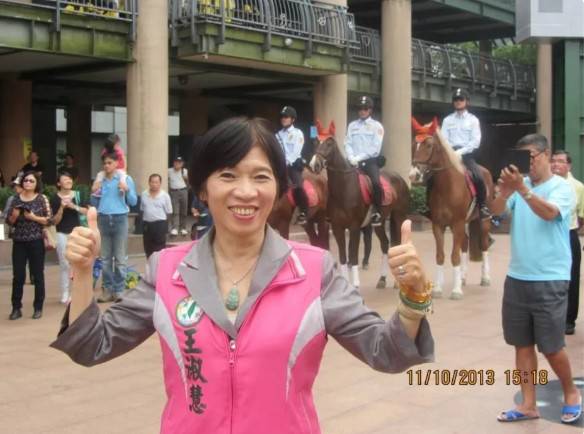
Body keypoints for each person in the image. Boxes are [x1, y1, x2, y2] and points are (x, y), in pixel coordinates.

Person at [51, 117, 434, 433]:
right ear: (203, 189)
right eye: (228, 175)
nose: (246, 192)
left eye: (261, 177)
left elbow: (386, 351)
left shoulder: (314, 271)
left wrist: (414, 297)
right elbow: (92, 345)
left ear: (279, 187)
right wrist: (82, 273)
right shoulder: (167, 269)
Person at [491, 134, 581, 424]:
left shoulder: (562, 187)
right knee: (522, 344)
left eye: (531, 156)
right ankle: (528, 404)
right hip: (517, 277)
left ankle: (571, 393)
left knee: (552, 346)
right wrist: (504, 192)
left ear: (545, 156)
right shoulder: (520, 185)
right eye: (522, 157)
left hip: (550, 278)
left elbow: (550, 213)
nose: (527, 163)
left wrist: (522, 190)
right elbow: (495, 214)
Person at [5, 171, 52, 320]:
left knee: (37, 275)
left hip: (36, 240)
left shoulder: (41, 198)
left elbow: (49, 220)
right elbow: (9, 221)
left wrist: (33, 217)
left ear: (37, 183)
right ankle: (16, 308)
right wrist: (14, 216)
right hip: (19, 241)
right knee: (18, 275)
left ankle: (38, 307)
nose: (28, 183)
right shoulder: (15, 199)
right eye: (25, 180)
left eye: (31, 181)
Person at [92, 152, 137, 303]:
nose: (106, 166)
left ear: (117, 163)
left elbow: (133, 201)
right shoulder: (100, 179)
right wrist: (94, 191)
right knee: (105, 259)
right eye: (104, 163)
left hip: (120, 219)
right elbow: (94, 202)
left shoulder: (125, 178)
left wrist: (127, 189)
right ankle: (107, 290)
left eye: (110, 163)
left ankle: (119, 290)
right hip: (103, 219)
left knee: (119, 259)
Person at [441, 88, 489, 219]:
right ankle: (428, 206)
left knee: (478, 177)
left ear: (467, 101)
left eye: (461, 99)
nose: (458, 101)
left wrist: (459, 152)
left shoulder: (473, 120)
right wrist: (451, 151)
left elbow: (475, 142)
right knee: (432, 176)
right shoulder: (447, 120)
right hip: (449, 154)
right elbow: (444, 139)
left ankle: (482, 206)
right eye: (456, 99)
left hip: (466, 154)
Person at [551, 150, 584, 335]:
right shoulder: (545, 184)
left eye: (561, 161)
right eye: (553, 161)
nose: (556, 164)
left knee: (571, 278)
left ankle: (569, 320)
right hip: (549, 236)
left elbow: (582, 216)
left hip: (569, 235)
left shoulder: (578, 187)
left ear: (569, 165)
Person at [345, 96, 385, 226]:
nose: (362, 111)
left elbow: (375, 148)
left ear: (370, 110)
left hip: (369, 162)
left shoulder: (377, 126)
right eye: (360, 109)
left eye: (365, 109)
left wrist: (358, 158)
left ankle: (376, 212)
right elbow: (348, 143)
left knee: (376, 183)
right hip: (352, 161)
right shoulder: (352, 125)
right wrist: (351, 156)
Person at [50, 172, 88, 304]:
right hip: (61, 233)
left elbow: (87, 211)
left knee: (77, 264)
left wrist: (73, 206)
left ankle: (76, 292)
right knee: (64, 264)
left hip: (77, 233)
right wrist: (62, 207)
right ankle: (65, 293)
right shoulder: (55, 198)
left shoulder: (78, 195)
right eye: (65, 179)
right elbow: (54, 221)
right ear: (58, 183)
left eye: (70, 179)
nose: (68, 181)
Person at [275, 105, 308, 225]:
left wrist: (285, 162)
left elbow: (296, 152)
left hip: (293, 165)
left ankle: (303, 212)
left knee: (298, 186)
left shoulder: (297, 133)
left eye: (286, 117)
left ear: (293, 119)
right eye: (282, 117)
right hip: (279, 165)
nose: (283, 119)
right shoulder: (277, 135)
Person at [140, 173, 172, 258]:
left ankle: (159, 265)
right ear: (149, 183)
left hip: (160, 225)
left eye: (156, 182)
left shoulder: (165, 196)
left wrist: (165, 226)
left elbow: (169, 212)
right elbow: (142, 209)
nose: (154, 184)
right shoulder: (144, 194)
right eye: (152, 182)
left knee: (159, 249)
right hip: (147, 225)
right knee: (148, 248)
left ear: (160, 183)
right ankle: (149, 264)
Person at [168, 156, 189, 236]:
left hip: (183, 191)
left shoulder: (185, 171)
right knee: (175, 211)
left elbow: (189, 182)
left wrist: (186, 178)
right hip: (174, 192)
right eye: (176, 162)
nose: (177, 164)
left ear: (182, 164)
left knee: (184, 210)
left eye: (179, 162)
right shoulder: (169, 171)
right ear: (173, 163)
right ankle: (175, 228)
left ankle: (183, 228)